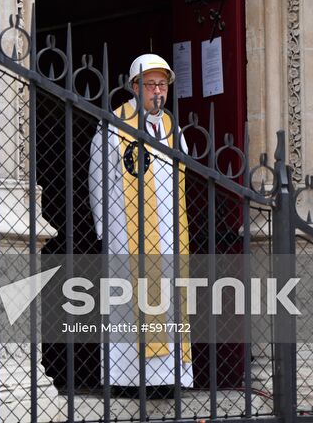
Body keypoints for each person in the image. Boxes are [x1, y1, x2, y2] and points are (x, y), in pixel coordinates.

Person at [88, 53, 193, 390]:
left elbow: (185, 173)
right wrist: (105, 228)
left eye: (162, 86)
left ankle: (168, 379)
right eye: (151, 86)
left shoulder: (172, 127)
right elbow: (97, 177)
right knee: (127, 303)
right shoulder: (114, 125)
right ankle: (126, 379)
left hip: (167, 228)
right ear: (135, 88)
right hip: (126, 231)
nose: (158, 92)